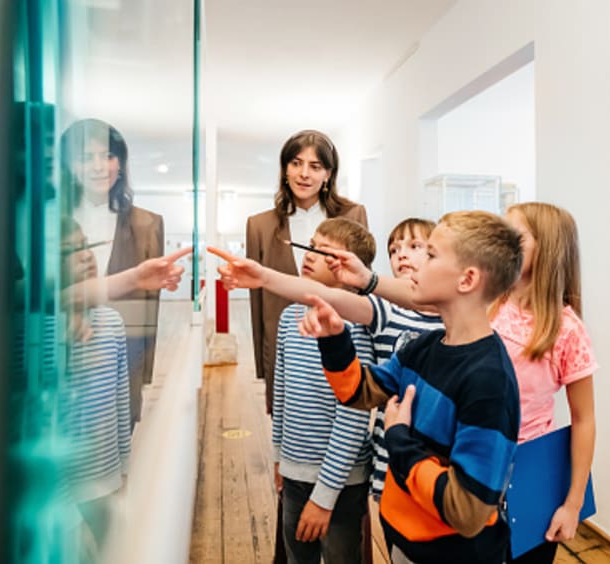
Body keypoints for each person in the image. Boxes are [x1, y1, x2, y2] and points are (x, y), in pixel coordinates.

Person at [298, 211, 523, 563]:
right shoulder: (424, 348)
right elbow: (357, 392)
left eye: (430, 255)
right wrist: (336, 339)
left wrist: (400, 438)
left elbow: (467, 511)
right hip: (404, 539)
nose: (412, 265)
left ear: (467, 279)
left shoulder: (489, 381)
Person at [213, 218, 443, 562]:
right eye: (395, 249)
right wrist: (279, 457)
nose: (402, 256)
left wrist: (325, 494)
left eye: (414, 246)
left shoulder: (368, 324)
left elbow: (352, 414)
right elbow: (283, 394)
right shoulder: (305, 318)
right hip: (355, 472)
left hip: (373, 477)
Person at [491, 203, 597, 564]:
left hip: (528, 481)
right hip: (473, 468)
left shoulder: (567, 329)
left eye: (515, 236)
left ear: (548, 248)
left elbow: (584, 419)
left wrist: (572, 503)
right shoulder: (490, 300)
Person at [245, 129, 368, 415]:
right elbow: (258, 303)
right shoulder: (259, 226)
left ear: (328, 174)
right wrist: (264, 367)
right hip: (286, 338)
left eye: (315, 167)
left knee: (344, 413)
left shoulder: (353, 214)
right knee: (290, 426)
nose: (304, 174)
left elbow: (360, 281)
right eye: (296, 163)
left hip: (340, 332)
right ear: (285, 169)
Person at [61, 118, 165, 428]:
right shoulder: (50, 218)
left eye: (107, 156)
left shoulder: (148, 223)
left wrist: (141, 373)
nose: (99, 166)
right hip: (61, 348)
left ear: (120, 163)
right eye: (85, 157)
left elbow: (150, 304)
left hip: (121, 351)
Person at [58, 217, 132, 552]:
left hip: (104, 475)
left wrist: (124, 466)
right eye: (71, 251)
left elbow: (120, 401)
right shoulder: (32, 330)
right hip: (59, 487)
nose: (87, 256)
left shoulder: (111, 321)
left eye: (86, 245)